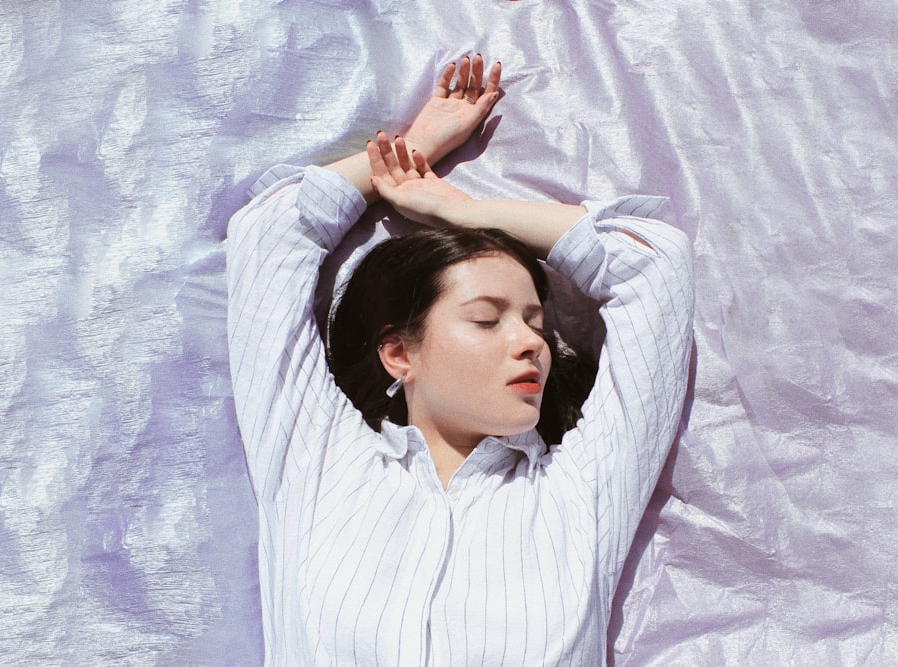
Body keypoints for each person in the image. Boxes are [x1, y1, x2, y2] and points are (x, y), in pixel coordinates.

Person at [226, 54, 694, 666]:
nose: (530, 343)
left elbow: (653, 263)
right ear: (399, 353)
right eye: (485, 318)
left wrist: (462, 212)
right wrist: (406, 156)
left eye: (536, 322)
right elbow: (267, 235)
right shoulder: (318, 463)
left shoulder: (579, 495)